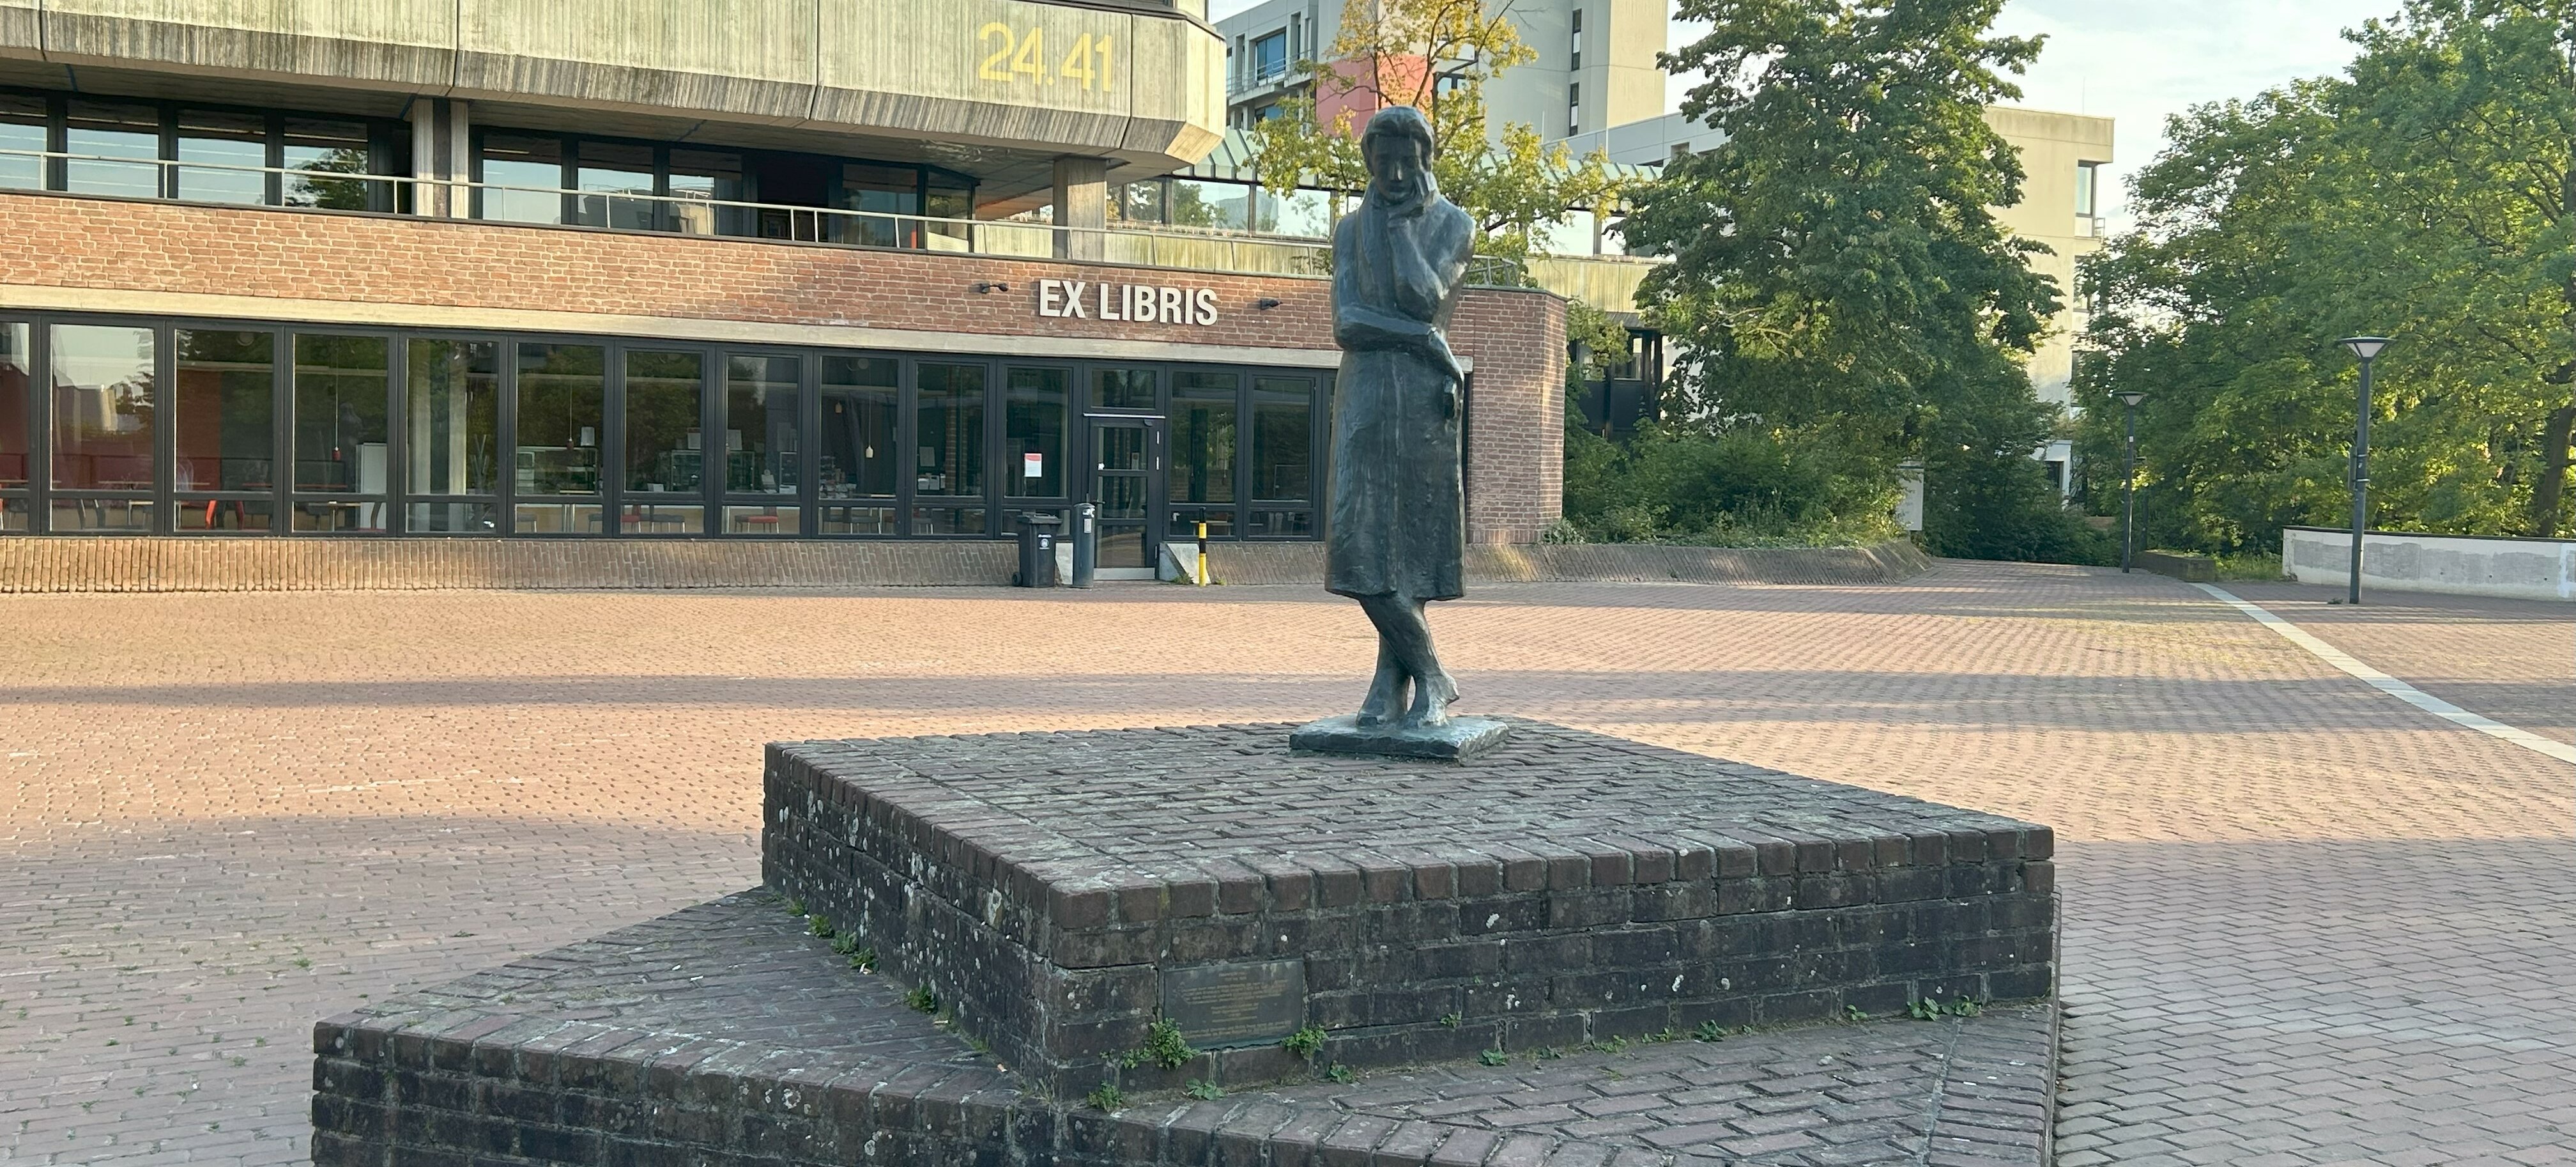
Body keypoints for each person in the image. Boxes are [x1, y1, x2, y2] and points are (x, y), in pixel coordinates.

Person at [1326, 104, 1475, 729]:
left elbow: (1426, 298)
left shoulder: (1454, 225)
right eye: (1382, 161)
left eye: (1406, 162)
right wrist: (1426, 342)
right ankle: (1433, 675)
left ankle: (1391, 684)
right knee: (1357, 546)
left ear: (1425, 161)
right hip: (1365, 394)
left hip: (1422, 399)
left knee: (1412, 546)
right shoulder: (1348, 229)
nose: (1392, 174)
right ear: (1369, 160)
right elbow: (1347, 323)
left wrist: (1401, 229)